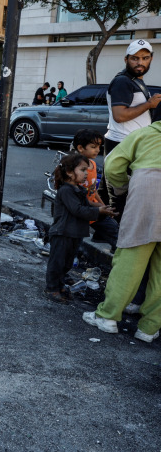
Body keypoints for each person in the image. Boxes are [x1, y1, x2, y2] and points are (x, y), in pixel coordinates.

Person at [83, 118, 161, 341]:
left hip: (148, 194)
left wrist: (121, 189)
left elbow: (114, 162)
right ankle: (149, 328)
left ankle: (108, 317)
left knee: (129, 259)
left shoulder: (144, 134)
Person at [44, 154, 115, 303]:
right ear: (70, 172)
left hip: (74, 234)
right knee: (57, 263)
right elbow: (78, 210)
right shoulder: (66, 190)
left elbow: (87, 204)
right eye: (83, 170)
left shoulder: (78, 189)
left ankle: (60, 285)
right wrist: (99, 211)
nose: (86, 173)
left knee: (67, 263)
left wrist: (102, 207)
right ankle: (51, 288)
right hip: (62, 233)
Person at [104, 40, 161, 215]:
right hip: (123, 145)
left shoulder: (136, 81)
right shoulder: (123, 81)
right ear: (126, 59)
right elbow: (119, 115)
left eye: (145, 58)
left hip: (132, 145)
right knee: (125, 200)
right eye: (135, 58)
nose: (140, 62)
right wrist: (149, 104)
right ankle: (120, 238)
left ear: (151, 58)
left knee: (127, 199)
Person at [72, 129, 119, 248]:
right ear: (81, 148)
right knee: (73, 244)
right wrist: (100, 208)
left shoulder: (92, 164)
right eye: (93, 146)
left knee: (114, 231)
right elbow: (75, 197)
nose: (97, 150)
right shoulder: (75, 168)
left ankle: (119, 257)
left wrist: (103, 205)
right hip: (80, 212)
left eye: (99, 146)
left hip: (94, 210)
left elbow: (93, 190)